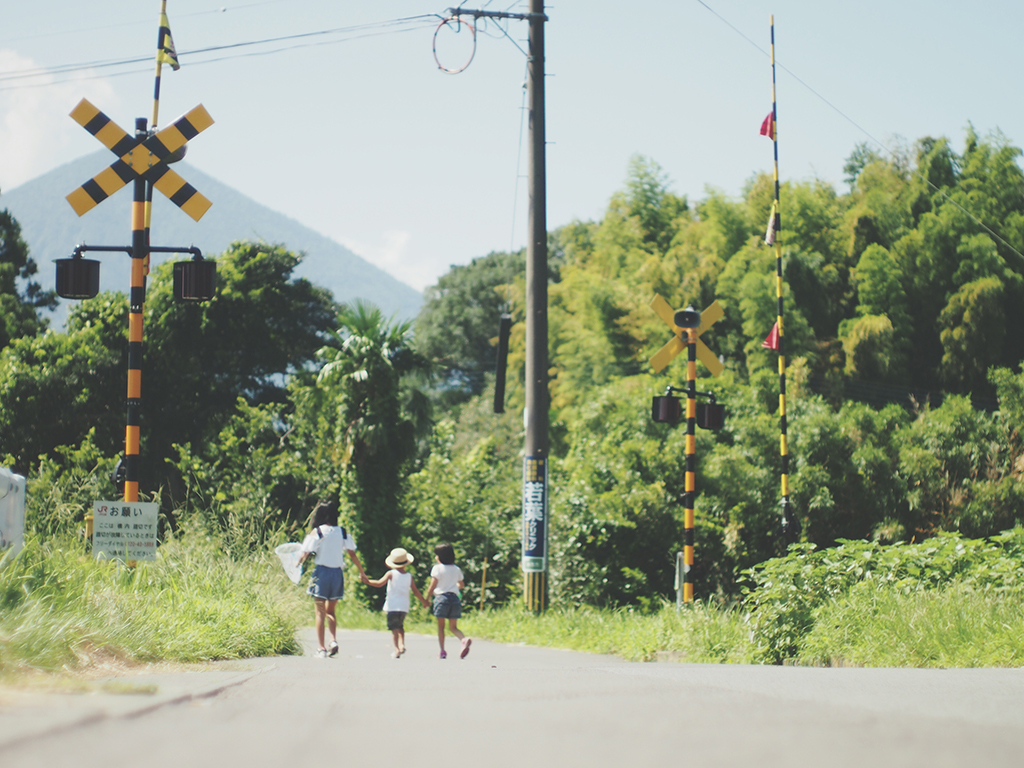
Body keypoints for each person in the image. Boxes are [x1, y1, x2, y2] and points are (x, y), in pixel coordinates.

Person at [296, 501, 366, 658]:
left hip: (322, 573)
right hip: (337, 574)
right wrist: (362, 572)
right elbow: (352, 553)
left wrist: (296, 564)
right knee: (331, 611)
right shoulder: (342, 532)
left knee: (320, 613)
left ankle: (321, 648)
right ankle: (333, 640)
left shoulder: (318, 531)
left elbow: (305, 552)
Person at [362, 547, 429, 658]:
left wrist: (368, 581)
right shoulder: (409, 576)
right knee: (400, 626)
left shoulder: (391, 574)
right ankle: (402, 644)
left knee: (394, 629)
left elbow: (379, 583)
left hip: (393, 605)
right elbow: (415, 591)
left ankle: (396, 649)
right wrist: (424, 601)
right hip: (404, 606)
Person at [425, 542, 472, 659]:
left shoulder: (437, 568)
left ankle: (442, 651)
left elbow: (432, 586)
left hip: (442, 598)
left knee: (441, 627)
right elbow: (461, 585)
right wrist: (454, 586)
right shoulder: (456, 569)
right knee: (453, 627)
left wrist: (426, 599)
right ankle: (463, 639)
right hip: (454, 598)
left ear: (440, 557)